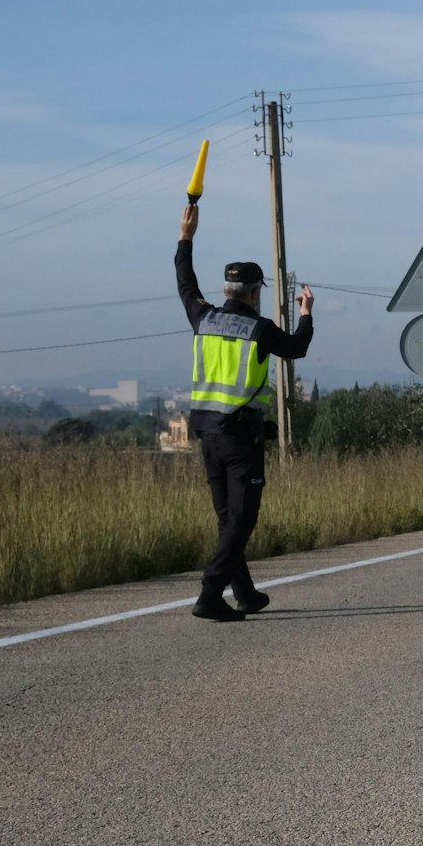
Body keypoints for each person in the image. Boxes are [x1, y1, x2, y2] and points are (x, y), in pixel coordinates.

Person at [175, 202, 314, 622]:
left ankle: (246, 594)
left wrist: (186, 236)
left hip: (207, 437)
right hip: (240, 440)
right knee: (242, 520)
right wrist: (306, 313)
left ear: (225, 292)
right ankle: (210, 593)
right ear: (255, 293)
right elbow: (298, 348)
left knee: (227, 519)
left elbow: (185, 282)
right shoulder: (259, 329)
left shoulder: (203, 317)